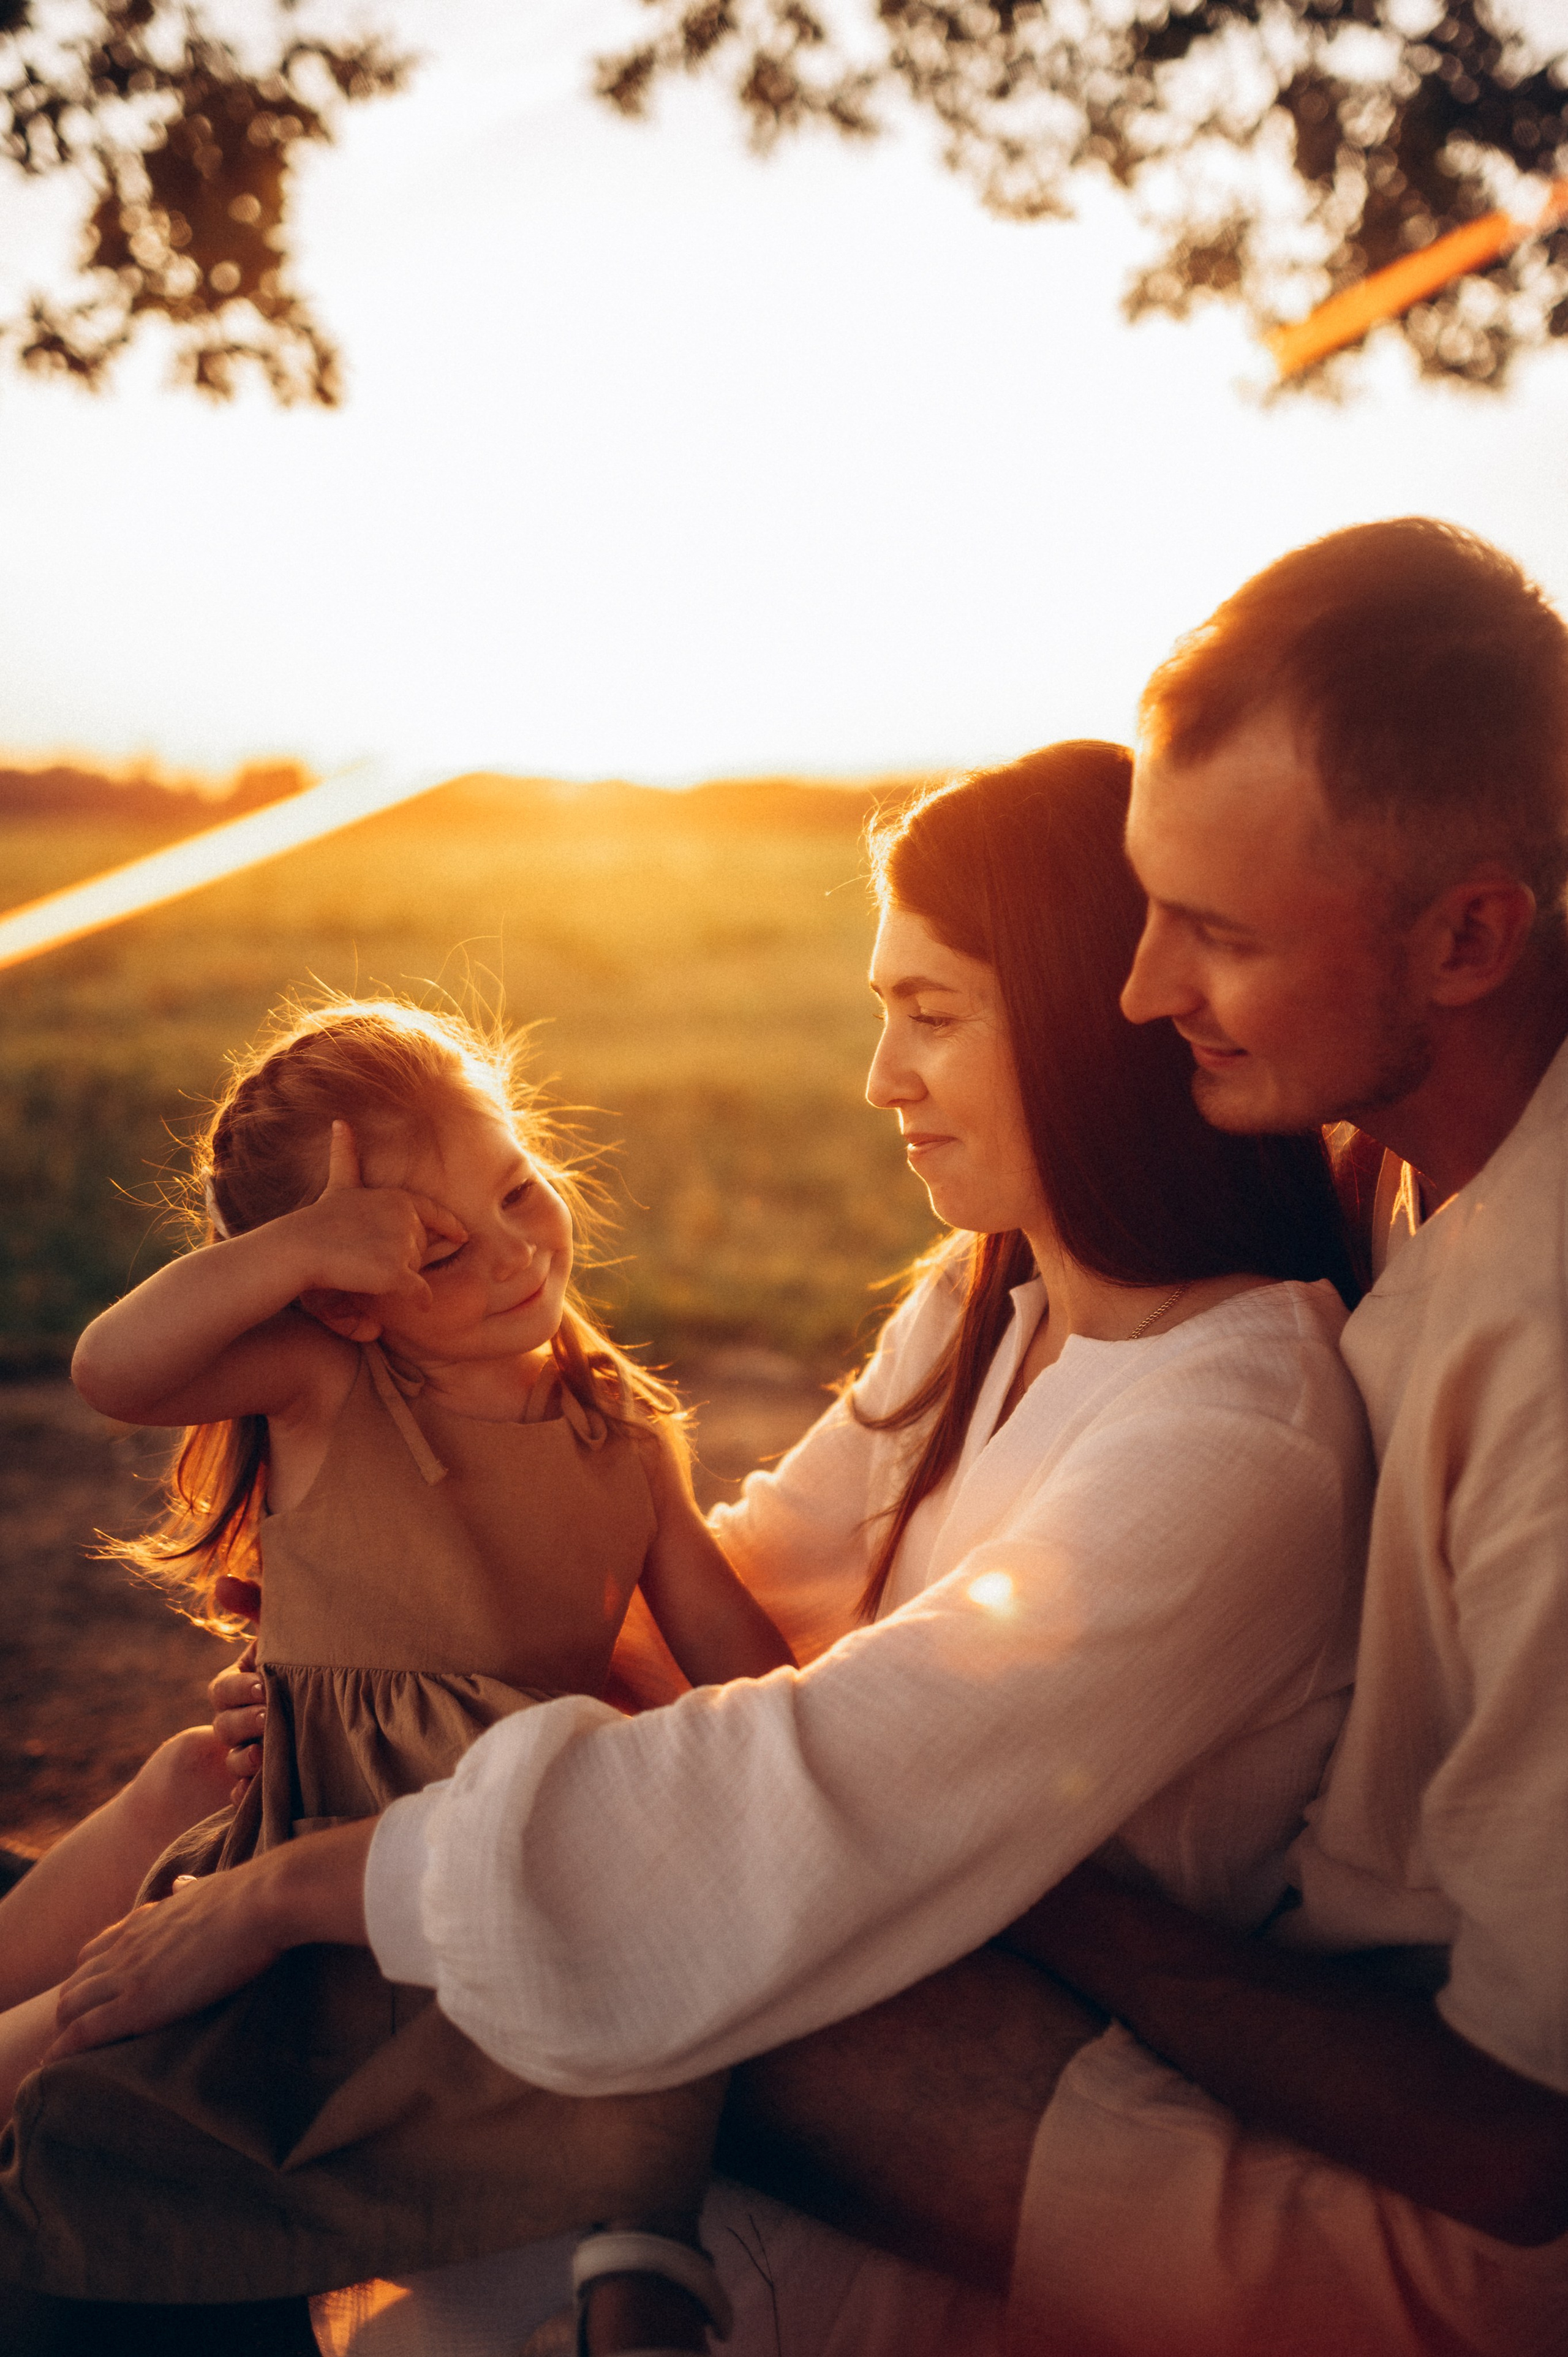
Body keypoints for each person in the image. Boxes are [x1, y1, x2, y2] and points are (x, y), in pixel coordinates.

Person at [8, 742, 1374, 2353]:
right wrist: (427, 1641)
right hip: (725, 1990)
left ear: (1092, 1016)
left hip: (878, 2102)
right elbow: (730, 1597)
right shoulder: (990, 1299)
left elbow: (816, 1773)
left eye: (931, 1013)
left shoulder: (1233, 1431)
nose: (880, 1077)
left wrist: (300, 1887)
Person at [0, 996, 796, 2355]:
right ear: (337, 1293)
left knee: (651, 1988)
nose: (513, 1250)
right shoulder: (330, 1381)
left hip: (490, 1851)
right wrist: (303, 1244)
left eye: (517, 1188)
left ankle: (636, 2263)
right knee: (112, 2064)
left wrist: (806, 1763)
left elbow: (742, 1668)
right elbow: (111, 1370)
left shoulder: (621, 1433)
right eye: (436, 1246)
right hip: (300, 1860)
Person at [992, 519, 1568, 2354]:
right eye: (1146, 900)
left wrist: (1021, 1884)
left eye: (1219, 935)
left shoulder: (1548, 1367)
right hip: (1307, 1987)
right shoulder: (1383, 1153)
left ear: (1470, 934)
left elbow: (1523, 2138)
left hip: (1480, 2225)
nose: (1137, 989)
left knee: (735, 2007)